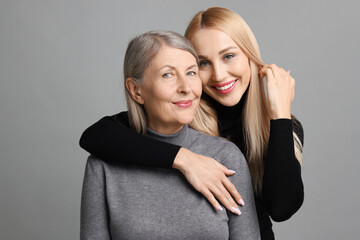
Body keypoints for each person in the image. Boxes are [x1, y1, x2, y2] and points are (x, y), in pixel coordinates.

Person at [80, 7, 304, 240]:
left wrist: (280, 115)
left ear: (250, 55)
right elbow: (96, 135)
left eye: (228, 56)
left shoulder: (276, 128)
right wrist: (185, 159)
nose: (218, 75)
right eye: (203, 63)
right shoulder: (182, 111)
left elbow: (281, 207)